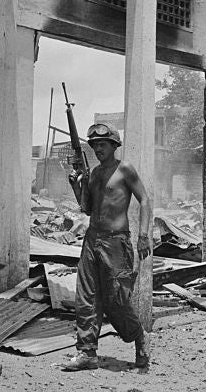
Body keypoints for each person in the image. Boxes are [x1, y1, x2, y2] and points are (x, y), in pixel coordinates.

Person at [62, 122, 152, 371]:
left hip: (116, 241)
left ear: (114, 145)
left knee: (117, 299)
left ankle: (139, 337)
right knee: (86, 296)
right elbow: (88, 208)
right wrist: (76, 185)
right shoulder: (95, 174)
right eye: (94, 145)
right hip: (93, 239)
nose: (98, 149)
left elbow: (144, 199)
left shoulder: (125, 169)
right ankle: (87, 352)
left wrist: (143, 235)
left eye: (102, 144)